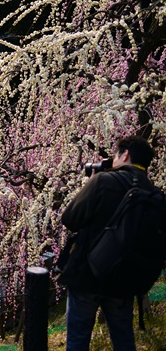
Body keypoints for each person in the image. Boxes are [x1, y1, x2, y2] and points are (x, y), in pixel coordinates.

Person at [58, 135, 155, 351]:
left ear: (125, 154)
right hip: (125, 279)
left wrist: (90, 184)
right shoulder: (153, 194)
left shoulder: (103, 181)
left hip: (88, 274)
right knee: (123, 340)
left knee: (77, 340)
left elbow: (70, 219)